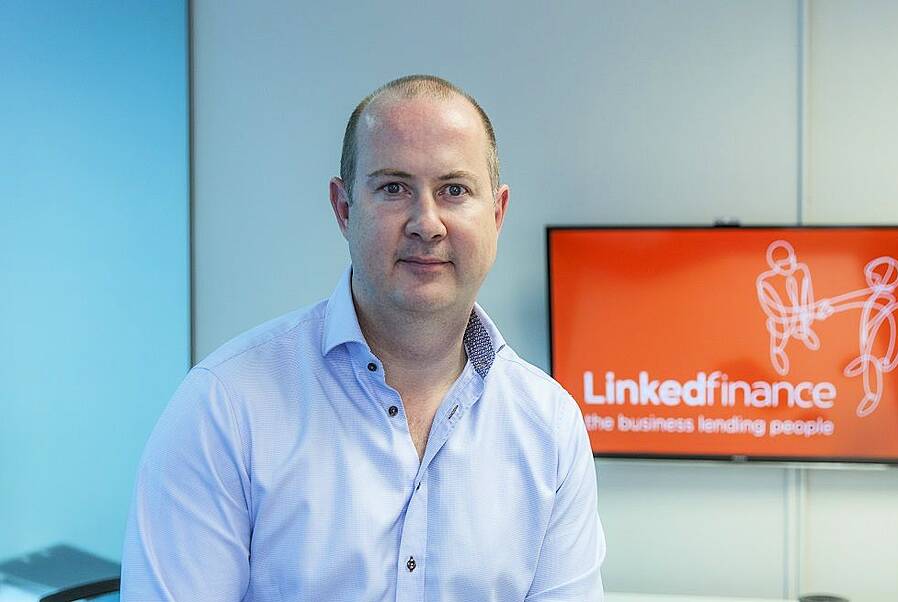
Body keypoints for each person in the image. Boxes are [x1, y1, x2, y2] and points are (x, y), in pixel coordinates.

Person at [121, 75, 606, 601]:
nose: (427, 223)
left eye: (454, 190)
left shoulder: (550, 427)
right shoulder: (226, 406)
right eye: (393, 187)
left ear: (497, 213)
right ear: (343, 208)